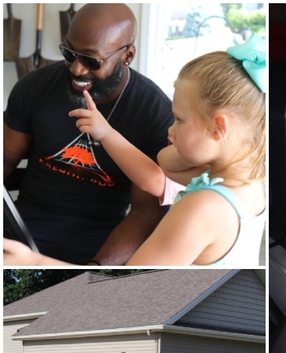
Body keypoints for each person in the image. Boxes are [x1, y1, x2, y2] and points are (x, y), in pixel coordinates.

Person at [3, 35, 266, 266]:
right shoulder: (248, 181)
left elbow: (127, 287)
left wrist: (33, 260)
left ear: (219, 128)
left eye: (179, 120)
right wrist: (106, 133)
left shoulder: (202, 209)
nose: (169, 130)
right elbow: (161, 169)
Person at [3, 4, 172, 265]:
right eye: (69, 53)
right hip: (25, 223)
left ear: (128, 55)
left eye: (92, 60)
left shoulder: (154, 112)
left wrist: (95, 270)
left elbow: (145, 213)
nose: (77, 70)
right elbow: (4, 159)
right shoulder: (35, 86)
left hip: (102, 237)